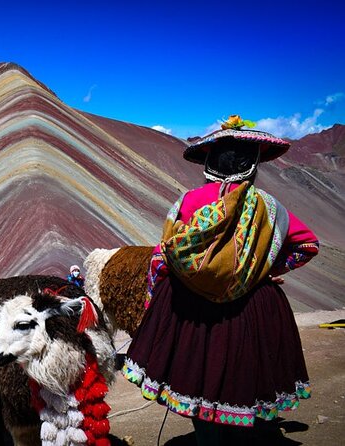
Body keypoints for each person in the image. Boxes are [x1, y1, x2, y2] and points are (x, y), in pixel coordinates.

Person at [122, 116, 319, 445]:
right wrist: (266, 269)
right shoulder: (269, 208)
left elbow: (164, 254)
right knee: (244, 378)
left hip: (188, 307)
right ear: (252, 165)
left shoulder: (185, 203)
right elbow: (307, 245)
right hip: (252, 306)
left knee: (193, 376)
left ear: (210, 164)